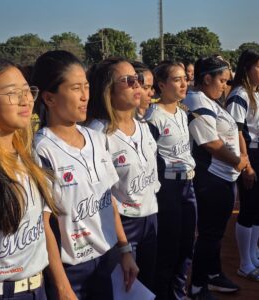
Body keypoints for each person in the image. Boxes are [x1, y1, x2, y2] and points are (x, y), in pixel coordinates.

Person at [31, 50, 138, 300]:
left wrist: (124, 249)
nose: (84, 96)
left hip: (107, 257)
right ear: (49, 98)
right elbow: (44, 225)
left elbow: (108, 199)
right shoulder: (41, 149)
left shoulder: (96, 138)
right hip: (72, 270)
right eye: (76, 88)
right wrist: (62, 286)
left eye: (87, 87)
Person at [0, 56, 57, 299]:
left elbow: (43, 228)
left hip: (37, 288)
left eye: (28, 90)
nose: (26, 100)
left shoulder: (29, 157)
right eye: (13, 93)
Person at [86, 57, 160, 292]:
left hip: (150, 216)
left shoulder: (144, 127)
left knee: (146, 286)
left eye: (138, 79)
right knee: (125, 289)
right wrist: (124, 245)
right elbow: (102, 196)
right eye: (128, 81)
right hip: (123, 226)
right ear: (108, 89)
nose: (137, 85)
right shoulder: (98, 133)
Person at [183, 56, 248, 300]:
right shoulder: (195, 100)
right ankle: (198, 286)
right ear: (207, 78)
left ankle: (212, 273)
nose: (225, 85)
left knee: (216, 233)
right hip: (211, 179)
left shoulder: (210, 100)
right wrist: (237, 160)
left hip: (224, 177)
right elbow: (209, 142)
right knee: (209, 234)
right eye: (221, 80)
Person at [147, 60, 196, 300]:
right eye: (177, 79)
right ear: (162, 85)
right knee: (169, 247)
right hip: (168, 188)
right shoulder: (152, 117)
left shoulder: (182, 112)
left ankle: (178, 293)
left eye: (184, 78)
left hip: (188, 185)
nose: (184, 83)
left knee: (187, 246)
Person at [226, 49, 259, 281]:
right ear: (247, 68)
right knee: (249, 208)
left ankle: (254, 253)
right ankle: (244, 262)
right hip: (250, 155)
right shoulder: (239, 94)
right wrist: (246, 165)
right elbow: (236, 130)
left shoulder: (257, 94)